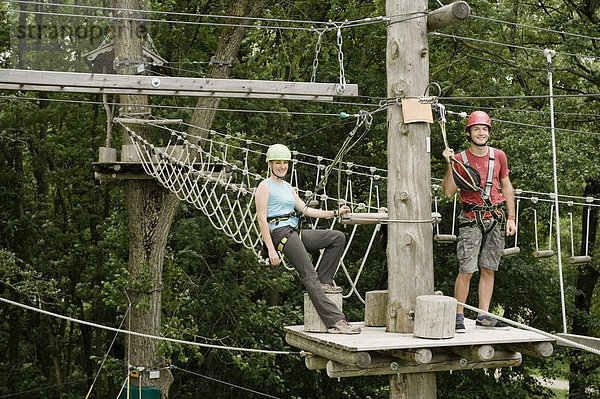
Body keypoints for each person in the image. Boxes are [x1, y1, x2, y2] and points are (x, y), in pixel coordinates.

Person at [255, 144, 361, 334]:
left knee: (337, 238)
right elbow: (262, 219)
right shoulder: (265, 186)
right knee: (308, 274)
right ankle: (335, 320)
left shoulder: (287, 187)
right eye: (278, 163)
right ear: (270, 164)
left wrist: (334, 212)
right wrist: (271, 249)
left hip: (294, 231)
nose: (282, 166)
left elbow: (305, 210)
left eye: (285, 163)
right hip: (280, 234)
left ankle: (324, 280)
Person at [441, 111, 517, 333]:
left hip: (495, 216)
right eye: (477, 129)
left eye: (484, 129)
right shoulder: (461, 159)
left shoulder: (499, 156)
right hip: (471, 218)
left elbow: (506, 186)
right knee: (467, 269)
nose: (481, 133)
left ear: (489, 132)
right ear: (469, 132)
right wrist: (449, 164)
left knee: (489, 268)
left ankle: (483, 315)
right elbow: (448, 192)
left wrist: (511, 217)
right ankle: (459, 315)